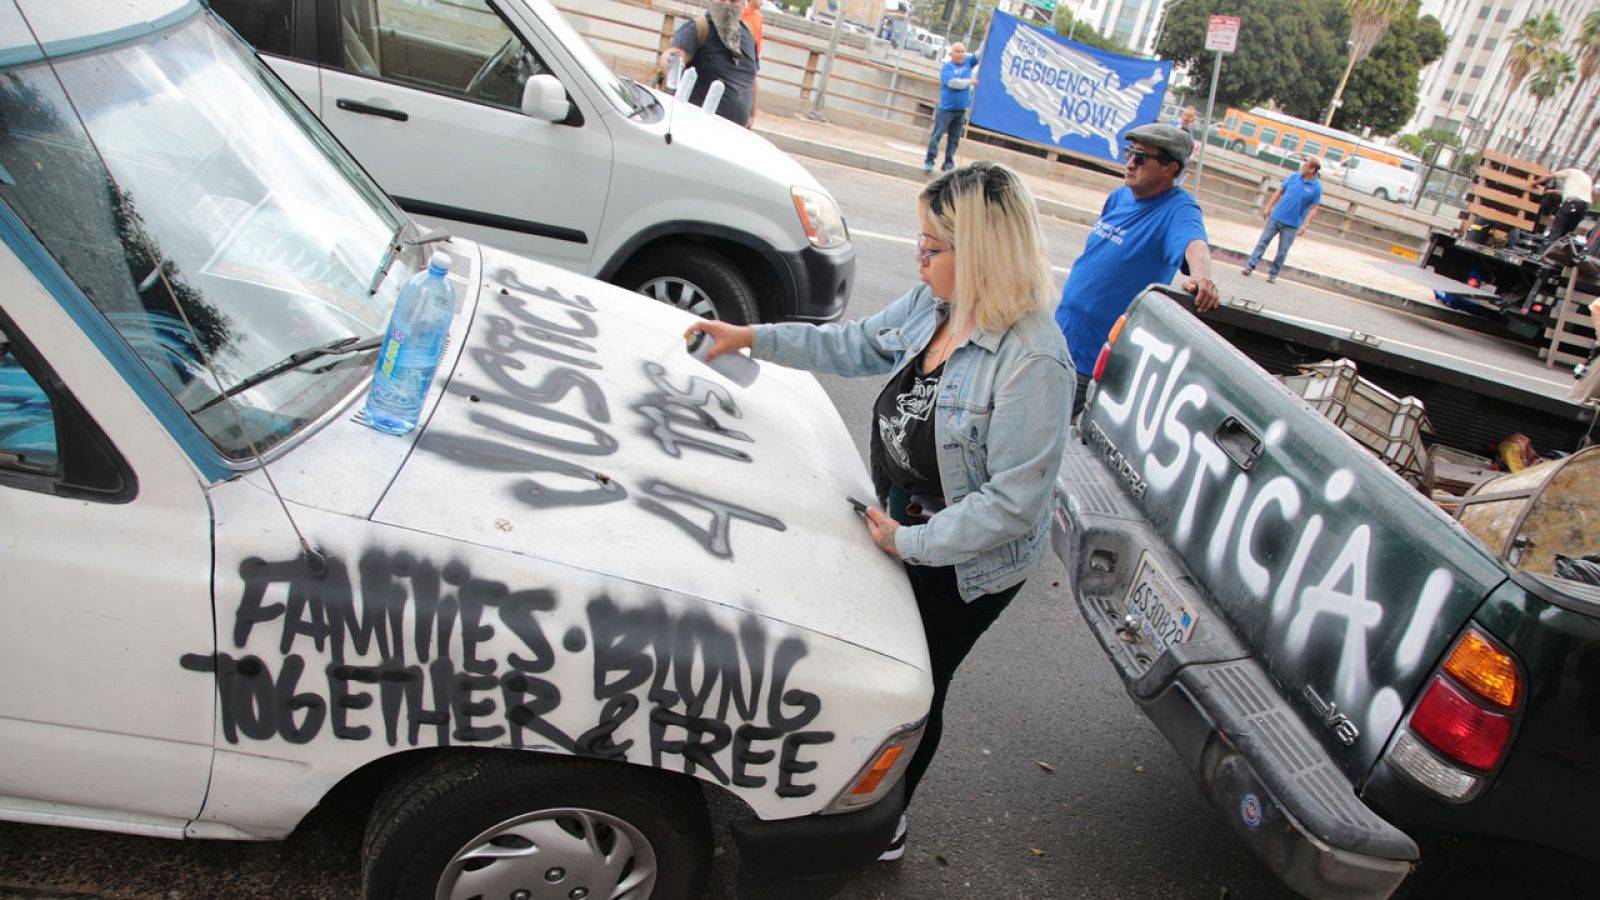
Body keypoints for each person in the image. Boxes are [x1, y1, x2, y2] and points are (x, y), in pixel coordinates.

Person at [685, 162, 1073, 862]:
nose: (917, 258)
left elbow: (1013, 505)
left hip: (963, 560)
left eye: (932, 247)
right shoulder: (938, 306)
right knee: (868, 659)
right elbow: (857, 344)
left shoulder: (1034, 362)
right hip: (904, 522)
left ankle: (882, 823)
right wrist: (751, 337)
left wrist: (911, 542)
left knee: (914, 686)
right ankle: (833, 787)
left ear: (981, 252)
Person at [1054, 123, 1219, 416]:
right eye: (1130, 153)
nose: (1130, 163)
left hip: (1093, 358)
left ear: (1170, 168)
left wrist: (1201, 276)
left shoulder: (1178, 209)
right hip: (1061, 334)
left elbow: (1195, 244)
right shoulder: (1120, 196)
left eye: (1141, 157)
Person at [658, 0, 759, 127]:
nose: (727, 3)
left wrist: (753, 113)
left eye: (734, 0)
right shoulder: (698, 27)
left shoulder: (749, 33)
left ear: (742, 4)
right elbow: (675, 55)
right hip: (695, 127)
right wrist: (672, 62)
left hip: (735, 133)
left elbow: (752, 76)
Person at [1242, 155, 1323, 284]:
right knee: (1263, 241)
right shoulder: (1294, 177)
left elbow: (1314, 208)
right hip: (1277, 217)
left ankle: (1273, 274)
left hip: (1293, 224)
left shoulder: (1316, 188)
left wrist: (1305, 224)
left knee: (1282, 250)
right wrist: (1268, 207)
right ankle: (1250, 266)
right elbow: (1279, 191)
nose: (1302, 167)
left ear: (1313, 170)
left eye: (1306, 166)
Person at [924, 43, 979, 174]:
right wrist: (970, 82)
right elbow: (953, 83)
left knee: (954, 139)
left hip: (960, 111)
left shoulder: (968, 63)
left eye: (962, 52)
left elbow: (979, 53)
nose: (961, 54)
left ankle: (948, 163)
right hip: (946, 110)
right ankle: (930, 160)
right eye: (958, 51)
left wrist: (988, 32)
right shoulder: (947, 68)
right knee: (937, 136)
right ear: (951, 54)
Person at [1542, 167, 1594, 249]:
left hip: (1571, 204)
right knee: (1566, 234)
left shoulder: (1570, 172)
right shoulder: (1586, 179)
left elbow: (1549, 177)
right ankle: (1555, 254)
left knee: (1557, 231)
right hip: (1584, 206)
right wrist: (1551, 191)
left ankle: (1545, 252)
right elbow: (1567, 193)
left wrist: (1533, 184)